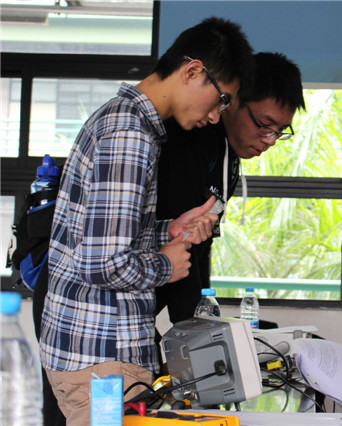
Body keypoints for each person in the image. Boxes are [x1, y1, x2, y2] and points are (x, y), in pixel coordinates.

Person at [39, 16, 254, 424]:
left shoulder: (124, 121)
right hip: (103, 361)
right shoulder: (130, 134)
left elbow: (98, 236)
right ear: (193, 71)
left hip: (94, 355)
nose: (215, 116)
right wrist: (166, 266)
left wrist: (168, 230)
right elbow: (102, 264)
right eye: (221, 99)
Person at [155, 51, 305, 324]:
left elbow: (200, 241)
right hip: (117, 310)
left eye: (280, 131)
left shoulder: (228, 152)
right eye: (264, 125)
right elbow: (180, 240)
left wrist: (203, 316)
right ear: (232, 100)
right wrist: (196, 329)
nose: (270, 140)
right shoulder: (191, 140)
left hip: (147, 306)